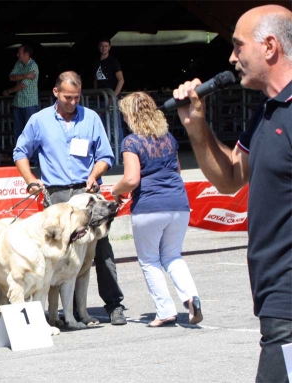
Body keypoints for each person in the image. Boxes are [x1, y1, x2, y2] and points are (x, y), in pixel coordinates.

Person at [172, 5, 291, 382]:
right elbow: (229, 178)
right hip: (273, 296)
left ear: (269, 46)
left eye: (238, 46)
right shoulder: (267, 111)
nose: (231, 57)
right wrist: (195, 126)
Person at [13, 71, 127, 325]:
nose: (73, 102)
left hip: (87, 195)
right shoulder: (39, 120)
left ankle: (114, 305)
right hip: (57, 196)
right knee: (56, 254)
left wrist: (95, 173)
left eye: (76, 97)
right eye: (67, 97)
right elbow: (20, 152)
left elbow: (106, 156)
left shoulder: (92, 119)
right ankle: (57, 313)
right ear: (56, 93)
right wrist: (30, 180)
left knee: (100, 250)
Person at [111, 92, 202, 328]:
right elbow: (178, 171)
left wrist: (115, 190)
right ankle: (191, 298)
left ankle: (165, 311)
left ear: (130, 115)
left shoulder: (131, 142)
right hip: (179, 204)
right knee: (173, 256)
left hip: (150, 206)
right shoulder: (169, 138)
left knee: (149, 260)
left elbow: (131, 179)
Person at [2, 44, 40, 148]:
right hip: (19, 102)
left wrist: (9, 91)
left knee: (30, 132)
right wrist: (26, 75)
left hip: (29, 103)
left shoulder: (33, 66)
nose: (17, 54)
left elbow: (22, 85)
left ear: (26, 54)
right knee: (19, 132)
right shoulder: (19, 63)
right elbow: (11, 77)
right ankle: (21, 156)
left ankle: (33, 159)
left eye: (20, 53)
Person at [94, 37, 126, 149]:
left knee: (115, 124)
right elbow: (96, 79)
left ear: (109, 47)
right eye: (102, 46)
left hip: (111, 97)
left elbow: (121, 79)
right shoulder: (96, 61)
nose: (104, 48)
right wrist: (95, 94)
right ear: (99, 47)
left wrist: (114, 96)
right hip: (100, 98)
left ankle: (120, 149)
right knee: (102, 124)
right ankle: (107, 149)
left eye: (106, 46)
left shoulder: (113, 61)